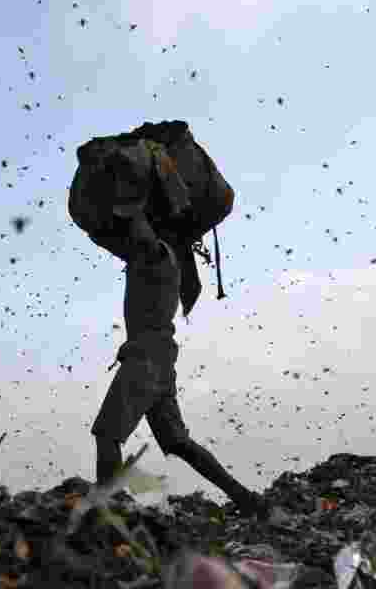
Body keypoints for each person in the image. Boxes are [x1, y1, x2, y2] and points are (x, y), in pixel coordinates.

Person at [89, 210, 270, 519]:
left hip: (145, 360)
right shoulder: (165, 260)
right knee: (178, 442)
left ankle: (109, 509)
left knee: (108, 434)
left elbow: (132, 231)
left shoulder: (155, 254)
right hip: (160, 361)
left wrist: (124, 204)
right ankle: (246, 499)